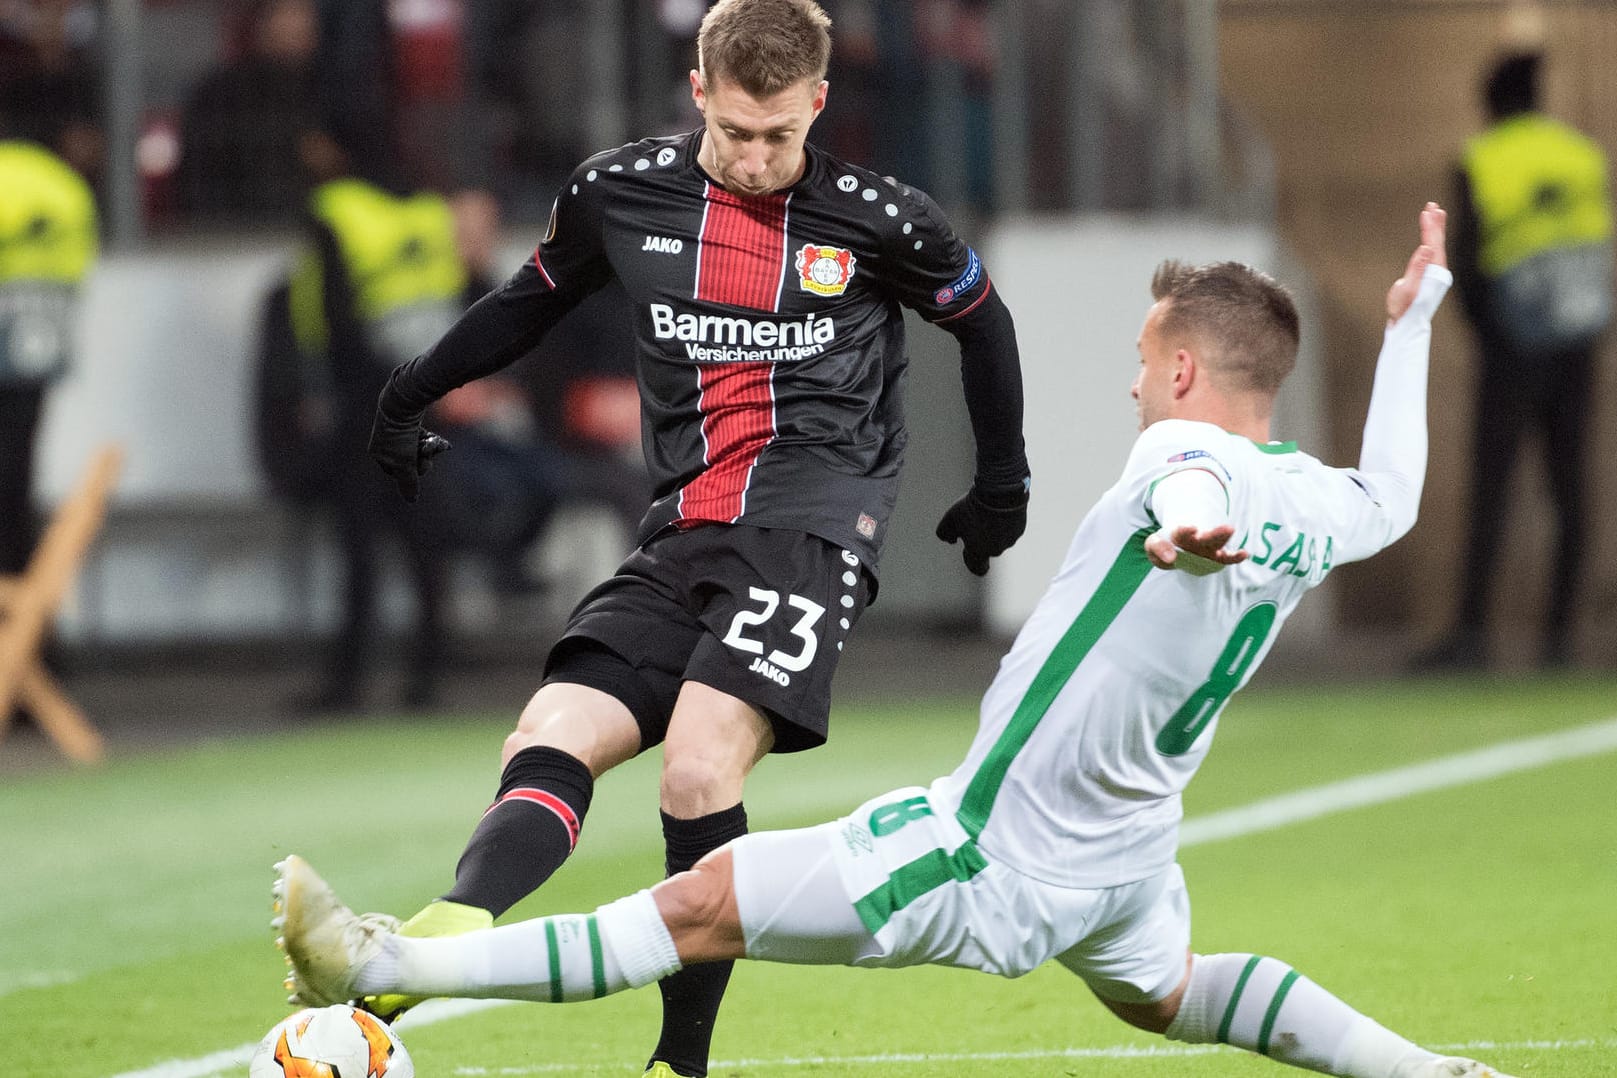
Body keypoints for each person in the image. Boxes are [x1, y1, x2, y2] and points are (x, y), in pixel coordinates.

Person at [275, 204, 1517, 1078]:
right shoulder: (1316, 496)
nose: (1131, 385)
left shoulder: (1183, 461)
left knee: (698, 903)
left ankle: (388, 965)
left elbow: (1194, 494)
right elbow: (1396, 494)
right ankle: (1427, 1069)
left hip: (989, 851)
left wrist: (1191, 531)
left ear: (1186, 370)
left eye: (1144, 363)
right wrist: (1411, 325)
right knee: (1171, 992)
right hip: (1130, 853)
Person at [349, 2, 1031, 1075]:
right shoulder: (619, 192)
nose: (759, 159)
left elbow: (982, 322)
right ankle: (436, 938)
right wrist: (408, 396)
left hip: (813, 524)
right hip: (682, 527)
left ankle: (681, 1059)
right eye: (736, 133)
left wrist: (1004, 481)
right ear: (699, 94)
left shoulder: (880, 219)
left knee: (700, 767)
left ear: (817, 102)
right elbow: (529, 300)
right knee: (549, 729)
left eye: (781, 135)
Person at [1412, 51, 1613, 672]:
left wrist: (1485, 330)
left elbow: (1465, 258)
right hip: (1578, 338)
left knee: (1492, 488)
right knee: (1570, 486)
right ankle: (1560, 636)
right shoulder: (1583, 156)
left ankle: (1473, 634)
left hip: (1511, 343)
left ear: (1492, 103)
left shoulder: (1482, 158)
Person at [286, 124, 466, 712]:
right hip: (423, 394)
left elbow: (327, 311)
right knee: (424, 543)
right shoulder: (428, 211)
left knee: (359, 546)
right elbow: (451, 299)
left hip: (363, 401)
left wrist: (321, 393)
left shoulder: (337, 208)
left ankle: (347, 684)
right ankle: (427, 677)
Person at [0, 137, 98, 582]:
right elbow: (78, 261)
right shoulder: (61, 185)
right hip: (40, 334)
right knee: (18, 478)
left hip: (19, 333)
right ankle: (26, 616)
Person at [175, 0, 322, 226]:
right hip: (233, 236)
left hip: (309, 235)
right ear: (260, 23)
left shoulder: (334, 94)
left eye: (302, 13)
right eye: (283, 13)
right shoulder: (221, 94)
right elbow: (200, 184)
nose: (293, 25)